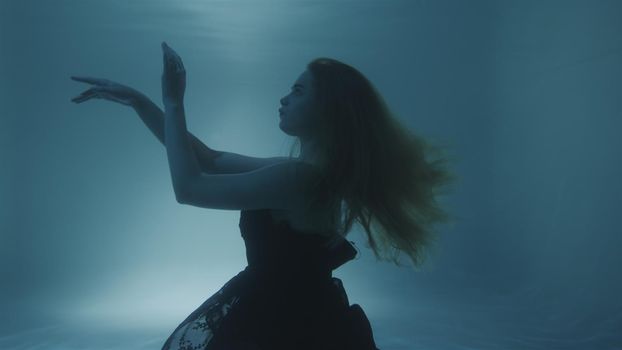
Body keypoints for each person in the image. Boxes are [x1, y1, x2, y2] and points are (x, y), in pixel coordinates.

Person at [70, 42, 456, 350]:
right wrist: (140, 102)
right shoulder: (305, 176)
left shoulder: (297, 179)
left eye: (299, 90)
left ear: (328, 111)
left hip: (285, 323)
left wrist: (173, 102)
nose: (285, 97)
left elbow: (189, 187)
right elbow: (206, 158)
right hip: (294, 313)